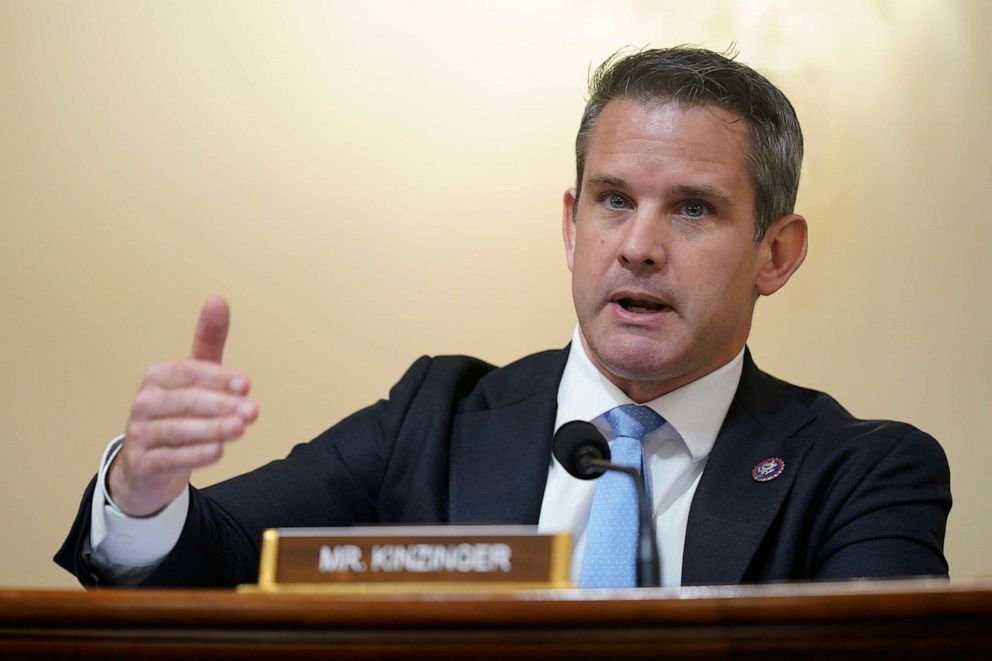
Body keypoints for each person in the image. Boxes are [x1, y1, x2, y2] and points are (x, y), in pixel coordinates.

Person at [55, 46, 951, 588]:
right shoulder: (433, 418)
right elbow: (216, 557)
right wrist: (141, 491)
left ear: (777, 253)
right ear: (570, 224)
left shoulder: (863, 473)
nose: (638, 246)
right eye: (612, 200)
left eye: (692, 209)